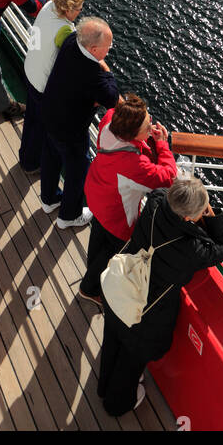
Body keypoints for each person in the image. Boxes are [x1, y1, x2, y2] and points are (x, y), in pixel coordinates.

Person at [97, 176, 223, 415]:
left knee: (112, 338)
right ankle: (116, 404)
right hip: (142, 314)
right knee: (131, 358)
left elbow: (162, 190)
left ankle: (102, 386)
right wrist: (211, 217)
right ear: (189, 217)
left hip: (119, 285)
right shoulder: (190, 249)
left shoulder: (155, 203)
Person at [79, 94, 178, 304]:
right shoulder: (134, 165)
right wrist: (161, 144)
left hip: (97, 193)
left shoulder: (110, 119)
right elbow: (168, 177)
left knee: (97, 238)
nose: (150, 125)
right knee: (112, 252)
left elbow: (117, 108)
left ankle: (91, 274)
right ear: (133, 135)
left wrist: (145, 136)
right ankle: (89, 289)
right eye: (146, 126)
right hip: (117, 215)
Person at [40, 19, 119, 230]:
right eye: (108, 47)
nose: (109, 50)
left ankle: (48, 200)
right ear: (93, 49)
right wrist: (107, 70)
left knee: (51, 157)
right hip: (71, 131)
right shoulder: (93, 75)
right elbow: (111, 97)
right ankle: (69, 216)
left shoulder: (70, 41)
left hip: (49, 113)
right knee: (77, 171)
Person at [19, 0, 86, 174]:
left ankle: (24, 155)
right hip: (42, 84)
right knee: (40, 126)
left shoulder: (49, 5)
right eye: (78, 8)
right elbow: (70, 64)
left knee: (30, 119)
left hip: (30, 70)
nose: (80, 11)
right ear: (68, 9)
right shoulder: (65, 30)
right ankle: (30, 164)